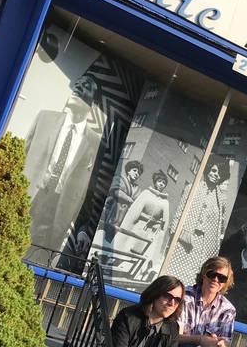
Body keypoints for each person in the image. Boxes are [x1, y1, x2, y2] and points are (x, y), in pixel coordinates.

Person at [25, 73, 102, 252]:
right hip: (29, 197)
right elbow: (22, 155)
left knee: (39, 257)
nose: (78, 87)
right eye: (78, 83)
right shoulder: (45, 118)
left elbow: (90, 189)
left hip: (59, 211)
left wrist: (83, 227)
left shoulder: (94, 142)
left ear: (92, 105)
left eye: (86, 86)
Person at [166, 154, 231, 286]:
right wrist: (174, 234)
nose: (216, 175)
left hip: (203, 245)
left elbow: (219, 226)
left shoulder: (221, 200)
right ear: (208, 169)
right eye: (214, 170)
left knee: (193, 276)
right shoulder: (192, 188)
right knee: (173, 273)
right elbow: (179, 212)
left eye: (219, 173)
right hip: (184, 239)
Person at [115, 170, 170, 280]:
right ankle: (118, 270)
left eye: (164, 183)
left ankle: (134, 275)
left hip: (151, 231)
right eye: (159, 181)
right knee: (128, 248)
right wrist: (144, 218)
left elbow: (165, 221)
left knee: (142, 254)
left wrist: (158, 225)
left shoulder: (165, 201)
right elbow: (135, 211)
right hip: (137, 226)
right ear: (155, 182)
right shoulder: (146, 193)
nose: (161, 184)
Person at [101, 159, 144, 239]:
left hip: (123, 217)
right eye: (134, 170)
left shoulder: (137, 189)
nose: (136, 174)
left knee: (113, 238)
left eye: (139, 173)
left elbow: (138, 202)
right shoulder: (119, 178)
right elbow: (116, 191)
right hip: (111, 211)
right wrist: (130, 200)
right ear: (128, 171)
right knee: (101, 235)